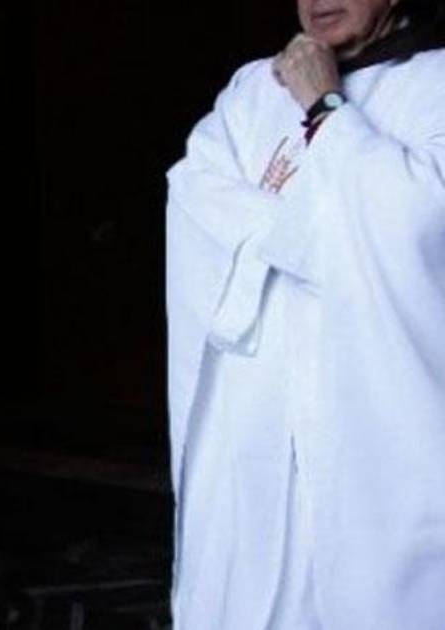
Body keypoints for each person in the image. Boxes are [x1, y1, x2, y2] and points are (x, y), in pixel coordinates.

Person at [166, 0, 445, 627]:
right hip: (256, 410)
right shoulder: (253, 90)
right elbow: (193, 196)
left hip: (373, 417)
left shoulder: (436, 85)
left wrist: (325, 107)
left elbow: (416, 224)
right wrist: (334, 238)